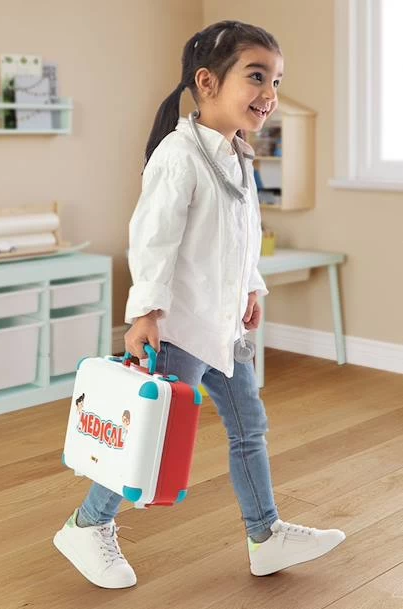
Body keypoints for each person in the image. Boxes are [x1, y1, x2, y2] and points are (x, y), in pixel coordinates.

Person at [53, 20, 345, 589]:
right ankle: (87, 524)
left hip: (224, 329)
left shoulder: (237, 154)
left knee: (249, 428)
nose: (270, 93)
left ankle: (265, 535)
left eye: (276, 81)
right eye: (256, 77)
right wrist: (145, 312)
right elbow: (152, 240)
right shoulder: (179, 155)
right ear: (207, 82)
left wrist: (251, 287)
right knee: (150, 434)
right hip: (181, 328)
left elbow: (241, 234)